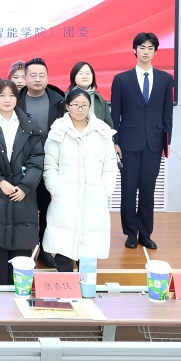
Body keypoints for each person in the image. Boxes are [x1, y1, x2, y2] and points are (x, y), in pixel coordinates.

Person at [0, 80, 45, 285]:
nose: (7, 100)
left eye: (11, 95)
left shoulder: (29, 123)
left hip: (22, 194)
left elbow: (37, 158)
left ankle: (19, 296)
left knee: (21, 249)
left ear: (17, 98)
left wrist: (24, 186)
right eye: (2, 95)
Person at [43, 89, 118, 272]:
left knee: (89, 252)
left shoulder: (102, 131)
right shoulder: (57, 131)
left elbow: (110, 164)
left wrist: (106, 189)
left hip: (94, 197)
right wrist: (56, 189)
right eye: (75, 105)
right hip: (65, 198)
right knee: (63, 247)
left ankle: (86, 287)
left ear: (90, 106)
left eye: (84, 105)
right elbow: (50, 166)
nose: (80, 109)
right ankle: (66, 287)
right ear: (67, 106)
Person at [111, 32, 173, 250]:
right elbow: (115, 114)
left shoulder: (165, 79)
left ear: (155, 51)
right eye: (142, 47)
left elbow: (167, 114)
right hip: (128, 143)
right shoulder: (121, 79)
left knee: (148, 189)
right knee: (128, 190)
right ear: (134, 50)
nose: (146, 52)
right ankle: (130, 232)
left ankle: (145, 233)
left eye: (150, 48)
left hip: (154, 143)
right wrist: (115, 141)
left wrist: (167, 141)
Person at [17, 57, 65, 268]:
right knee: (26, 208)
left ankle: (45, 250)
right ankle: (27, 248)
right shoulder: (15, 100)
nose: (38, 79)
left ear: (48, 77)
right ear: (25, 77)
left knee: (47, 208)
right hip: (23, 164)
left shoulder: (59, 101)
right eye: (33, 75)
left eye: (42, 75)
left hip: (51, 163)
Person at [68, 61, 113, 127]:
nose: (85, 76)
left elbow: (108, 124)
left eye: (88, 73)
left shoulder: (99, 99)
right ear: (73, 77)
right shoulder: (65, 98)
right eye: (80, 73)